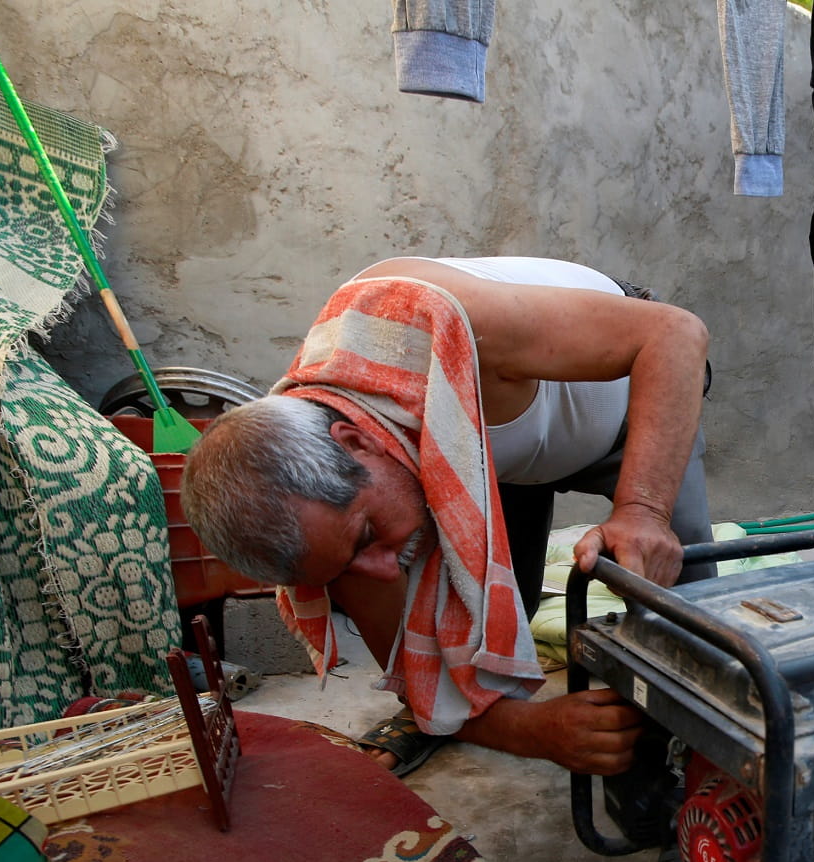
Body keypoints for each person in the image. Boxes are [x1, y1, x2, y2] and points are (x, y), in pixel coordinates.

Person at [182, 256, 714, 777]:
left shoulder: (455, 324)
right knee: (496, 621)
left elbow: (674, 336)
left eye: (369, 537)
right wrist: (534, 731)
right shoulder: (332, 526)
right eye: (352, 562)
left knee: (683, 601)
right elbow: (413, 667)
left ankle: (705, 775)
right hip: (500, 457)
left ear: (356, 443)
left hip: (625, 400)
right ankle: (445, 722)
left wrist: (644, 509)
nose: (385, 571)